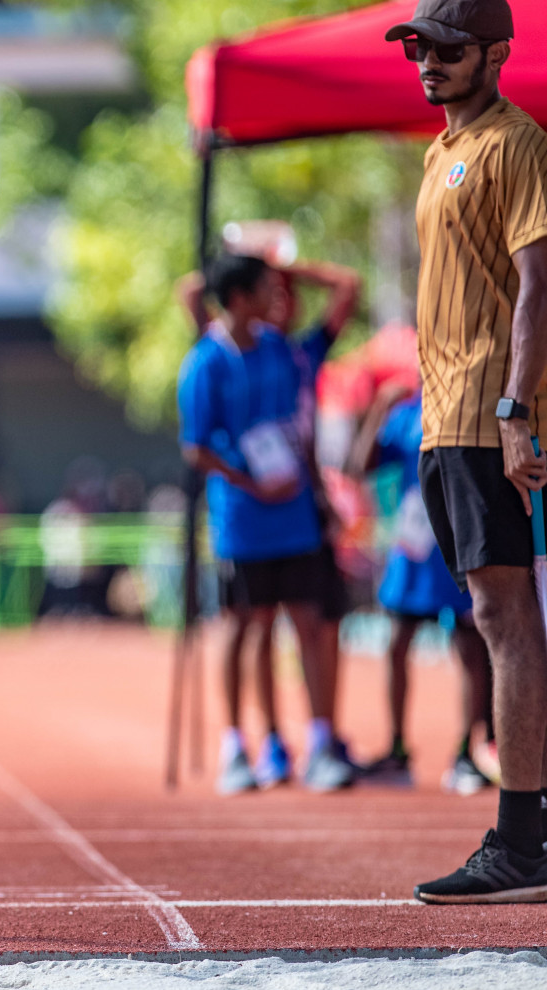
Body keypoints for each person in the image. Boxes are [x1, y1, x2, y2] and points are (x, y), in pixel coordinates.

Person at [385, 0, 547, 903]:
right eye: (418, 46)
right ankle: (545, 828)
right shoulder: (441, 151)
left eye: (448, 48)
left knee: (506, 621)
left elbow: (540, 289)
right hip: (444, 418)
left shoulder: (516, 145)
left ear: (495, 53)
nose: (428, 61)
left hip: (489, 418)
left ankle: (521, 841)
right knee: (502, 619)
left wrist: (515, 407)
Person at [177, 255, 357, 795]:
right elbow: (196, 449)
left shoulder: (282, 350)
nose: (275, 296)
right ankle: (237, 746)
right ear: (236, 298)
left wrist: (285, 261)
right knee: (244, 627)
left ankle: (321, 743)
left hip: (296, 517)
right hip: (242, 521)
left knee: (308, 623)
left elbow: (344, 294)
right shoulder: (205, 363)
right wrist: (251, 483)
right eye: (263, 287)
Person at [346, 384, 494, 793]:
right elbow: (360, 466)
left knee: (469, 647)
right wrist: (378, 407)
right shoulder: (408, 410)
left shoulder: (471, 396)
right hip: (414, 546)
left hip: (459, 536)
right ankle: (397, 751)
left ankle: (468, 752)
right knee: (396, 643)